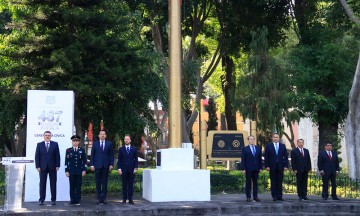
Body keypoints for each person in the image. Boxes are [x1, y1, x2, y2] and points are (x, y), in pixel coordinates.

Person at [35, 131, 60, 205]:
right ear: (43, 136)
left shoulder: (55, 144)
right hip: (42, 167)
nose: (47, 136)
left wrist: (57, 165)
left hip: (53, 167)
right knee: (42, 184)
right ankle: (41, 200)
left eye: (49, 135)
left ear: (51, 136)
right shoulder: (39, 144)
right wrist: (38, 166)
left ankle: (53, 199)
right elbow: (37, 156)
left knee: (53, 184)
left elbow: (57, 156)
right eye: (46, 135)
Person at [90, 130, 114, 204]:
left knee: (104, 182)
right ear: (99, 135)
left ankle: (104, 198)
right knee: (97, 182)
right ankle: (98, 198)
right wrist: (92, 164)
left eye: (104, 134)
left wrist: (111, 164)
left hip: (106, 166)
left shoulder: (109, 144)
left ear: (105, 136)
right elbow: (92, 155)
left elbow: (111, 155)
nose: (102, 135)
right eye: (101, 134)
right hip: (97, 166)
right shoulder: (95, 144)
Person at [264, 133, 288, 201]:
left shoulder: (282, 146)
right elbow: (266, 157)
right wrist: (267, 166)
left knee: (280, 182)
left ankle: (280, 196)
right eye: (274, 137)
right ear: (272, 138)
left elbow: (285, 157)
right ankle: (274, 196)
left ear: (279, 138)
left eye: (277, 137)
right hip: (272, 167)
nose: (275, 138)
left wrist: (286, 166)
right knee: (273, 182)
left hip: (280, 167)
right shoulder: (269, 146)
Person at [65, 135, 87, 205]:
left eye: (76, 141)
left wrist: (84, 170)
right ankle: (72, 200)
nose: (75, 142)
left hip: (79, 171)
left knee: (78, 186)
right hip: (71, 171)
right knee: (72, 186)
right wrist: (67, 170)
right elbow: (66, 161)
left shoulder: (82, 150)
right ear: (72, 142)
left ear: (79, 142)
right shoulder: (68, 150)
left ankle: (78, 200)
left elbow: (85, 161)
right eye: (74, 141)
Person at [118, 134, 138, 204]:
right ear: (124, 140)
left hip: (132, 170)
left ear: (130, 140)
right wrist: (119, 169)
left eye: (127, 139)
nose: (126, 140)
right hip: (123, 170)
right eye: (125, 139)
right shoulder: (121, 149)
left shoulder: (134, 149)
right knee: (124, 185)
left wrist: (136, 168)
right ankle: (124, 199)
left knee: (130, 185)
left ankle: (130, 199)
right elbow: (119, 160)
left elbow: (136, 160)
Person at [241, 135, 262, 202]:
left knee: (255, 183)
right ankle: (248, 197)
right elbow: (243, 159)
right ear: (248, 140)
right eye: (250, 139)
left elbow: (260, 159)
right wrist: (243, 169)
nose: (252, 140)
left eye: (253, 139)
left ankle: (255, 196)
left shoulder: (258, 148)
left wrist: (260, 168)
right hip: (248, 169)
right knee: (248, 183)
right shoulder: (245, 149)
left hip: (256, 169)